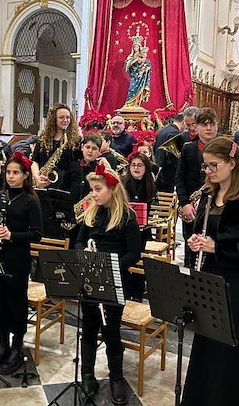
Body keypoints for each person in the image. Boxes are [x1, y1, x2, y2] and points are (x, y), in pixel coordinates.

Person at [182, 137, 239, 406]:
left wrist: (218, 248)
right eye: (205, 167)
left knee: (229, 349)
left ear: (232, 163)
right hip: (209, 280)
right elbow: (203, 232)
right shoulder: (209, 194)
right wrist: (195, 241)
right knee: (205, 346)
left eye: (213, 165)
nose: (208, 171)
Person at [76, 165, 141, 405]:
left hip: (114, 281)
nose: (93, 193)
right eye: (92, 189)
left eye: (97, 189)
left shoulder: (126, 217)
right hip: (90, 281)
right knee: (89, 327)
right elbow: (80, 239)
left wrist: (110, 268)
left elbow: (134, 253)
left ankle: (116, 378)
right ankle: (87, 373)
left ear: (112, 190)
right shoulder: (91, 212)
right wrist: (82, 252)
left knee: (111, 330)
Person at [0, 152, 43, 374]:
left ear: (25, 175)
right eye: (8, 172)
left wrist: (12, 235)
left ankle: (17, 346)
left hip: (18, 259)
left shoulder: (30, 201)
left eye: (15, 173)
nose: (10, 176)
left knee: (16, 300)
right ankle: (3, 344)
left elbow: (37, 234)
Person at [175, 107, 219, 267]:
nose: (209, 128)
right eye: (204, 124)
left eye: (212, 124)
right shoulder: (188, 148)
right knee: (191, 253)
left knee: (212, 254)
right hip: (192, 209)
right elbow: (179, 179)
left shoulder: (227, 147)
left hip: (217, 209)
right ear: (196, 126)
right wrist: (185, 203)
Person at [122, 152, 157, 301]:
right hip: (125, 229)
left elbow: (153, 209)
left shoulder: (151, 185)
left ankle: (138, 292)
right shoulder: (124, 183)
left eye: (140, 165)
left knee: (138, 259)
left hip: (143, 230)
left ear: (146, 168)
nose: (136, 168)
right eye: (133, 165)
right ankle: (126, 291)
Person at [62, 133, 105, 248]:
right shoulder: (73, 166)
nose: (90, 151)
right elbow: (64, 189)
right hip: (72, 215)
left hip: (91, 216)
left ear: (99, 152)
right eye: (87, 147)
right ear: (82, 147)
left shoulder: (100, 170)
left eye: (94, 148)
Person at [31, 103, 81, 189]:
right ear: (54, 119)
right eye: (61, 117)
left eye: (68, 117)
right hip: (44, 183)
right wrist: (37, 177)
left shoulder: (76, 140)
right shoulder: (43, 138)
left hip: (65, 185)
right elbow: (34, 161)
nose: (65, 120)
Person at [154, 113, 184, 192]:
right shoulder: (174, 133)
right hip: (169, 175)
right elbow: (172, 157)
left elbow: (154, 149)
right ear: (183, 122)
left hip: (160, 169)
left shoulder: (162, 130)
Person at [124, 41, 151, 107]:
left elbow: (146, 63)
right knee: (132, 89)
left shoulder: (142, 56)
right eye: (134, 47)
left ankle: (136, 103)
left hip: (140, 76)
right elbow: (127, 66)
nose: (135, 48)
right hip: (133, 75)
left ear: (139, 48)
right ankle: (129, 103)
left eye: (137, 47)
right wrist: (133, 61)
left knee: (139, 89)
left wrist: (146, 68)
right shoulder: (130, 56)